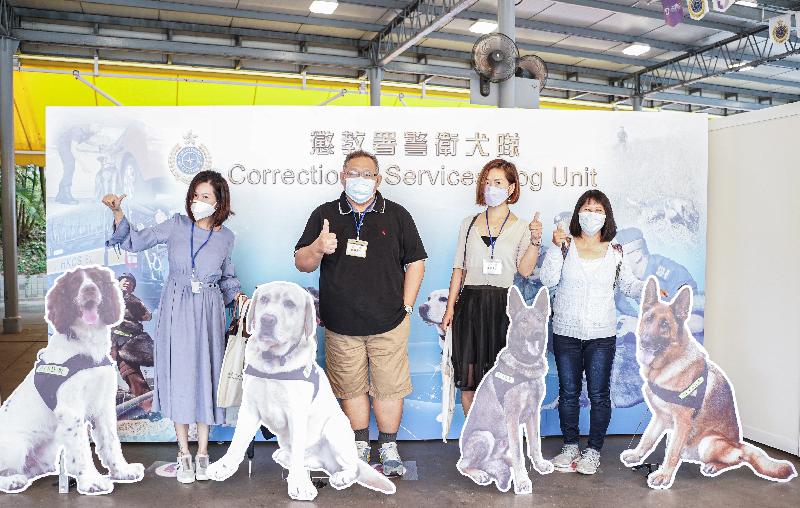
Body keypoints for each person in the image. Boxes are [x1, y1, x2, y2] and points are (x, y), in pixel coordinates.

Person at [102, 170, 247, 484]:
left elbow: (227, 277)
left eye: (205, 196)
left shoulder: (226, 237)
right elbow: (136, 240)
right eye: (195, 195)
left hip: (208, 310)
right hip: (176, 307)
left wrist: (238, 296)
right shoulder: (176, 225)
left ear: (219, 200)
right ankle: (184, 453)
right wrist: (118, 213)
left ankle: (204, 452)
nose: (198, 201)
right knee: (180, 374)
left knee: (207, 375)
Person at [294, 149, 426, 476]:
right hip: (341, 324)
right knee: (350, 387)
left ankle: (390, 445)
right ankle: (359, 444)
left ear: (378, 180)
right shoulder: (325, 214)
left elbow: (416, 262)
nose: (360, 180)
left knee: (389, 387)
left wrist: (407, 306)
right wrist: (317, 248)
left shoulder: (396, 214)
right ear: (342, 176)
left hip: (389, 322)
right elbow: (301, 262)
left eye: (367, 175)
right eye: (354, 173)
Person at [540, 190, 643, 475]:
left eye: (598, 210)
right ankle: (570, 445)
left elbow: (630, 286)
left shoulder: (617, 252)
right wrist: (553, 246)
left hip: (601, 333)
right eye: (587, 209)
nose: (592, 214)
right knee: (569, 392)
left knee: (599, 394)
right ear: (577, 214)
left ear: (606, 216)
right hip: (566, 331)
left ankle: (593, 450)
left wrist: (649, 291)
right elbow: (547, 279)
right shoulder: (564, 246)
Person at [439, 159, 542, 415]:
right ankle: (476, 441)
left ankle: (501, 446)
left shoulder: (521, 226)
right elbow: (459, 269)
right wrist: (450, 307)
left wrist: (536, 241)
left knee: (502, 380)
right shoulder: (469, 223)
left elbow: (525, 270)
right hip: (470, 304)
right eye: (487, 182)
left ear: (511, 188)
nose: (490, 188)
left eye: (498, 183)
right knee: (470, 378)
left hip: (503, 308)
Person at [112, 272, 154, 413]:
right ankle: (150, 408)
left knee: (164, 359)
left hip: (137, 341)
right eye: (124, 280)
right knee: (131, 375)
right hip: (118, 345)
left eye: (130, 282)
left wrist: (134, 303)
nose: (127, 282)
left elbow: (147, 316)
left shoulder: (134, 300)